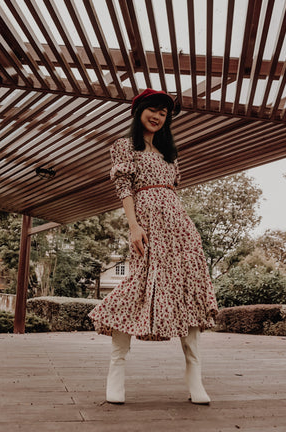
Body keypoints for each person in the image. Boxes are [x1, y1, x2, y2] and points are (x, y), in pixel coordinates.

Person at [89, 88, 218, 405]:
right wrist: (134, 225)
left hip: (180, 229)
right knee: (137, 286)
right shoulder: (124, 147)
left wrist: (185, 229)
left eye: (164, 112)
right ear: (139, 111)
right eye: (153, 109)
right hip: (147, 227)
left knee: (186, 291)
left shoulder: (170, 155)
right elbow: (124, 187)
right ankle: (116, 372)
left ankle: (195, 379)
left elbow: (172, 194)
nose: (158, 116)